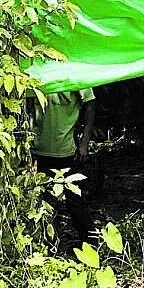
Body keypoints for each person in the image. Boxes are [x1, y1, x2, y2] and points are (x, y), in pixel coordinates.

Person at [33, 88, 96, 244]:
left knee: (75, 200)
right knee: (38, 200)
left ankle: (92, 243)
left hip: (65, 150)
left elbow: (90, 104)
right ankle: (42, 244)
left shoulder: (75, 71)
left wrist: (84, 142)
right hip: (36, 150)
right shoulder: (36, 69)